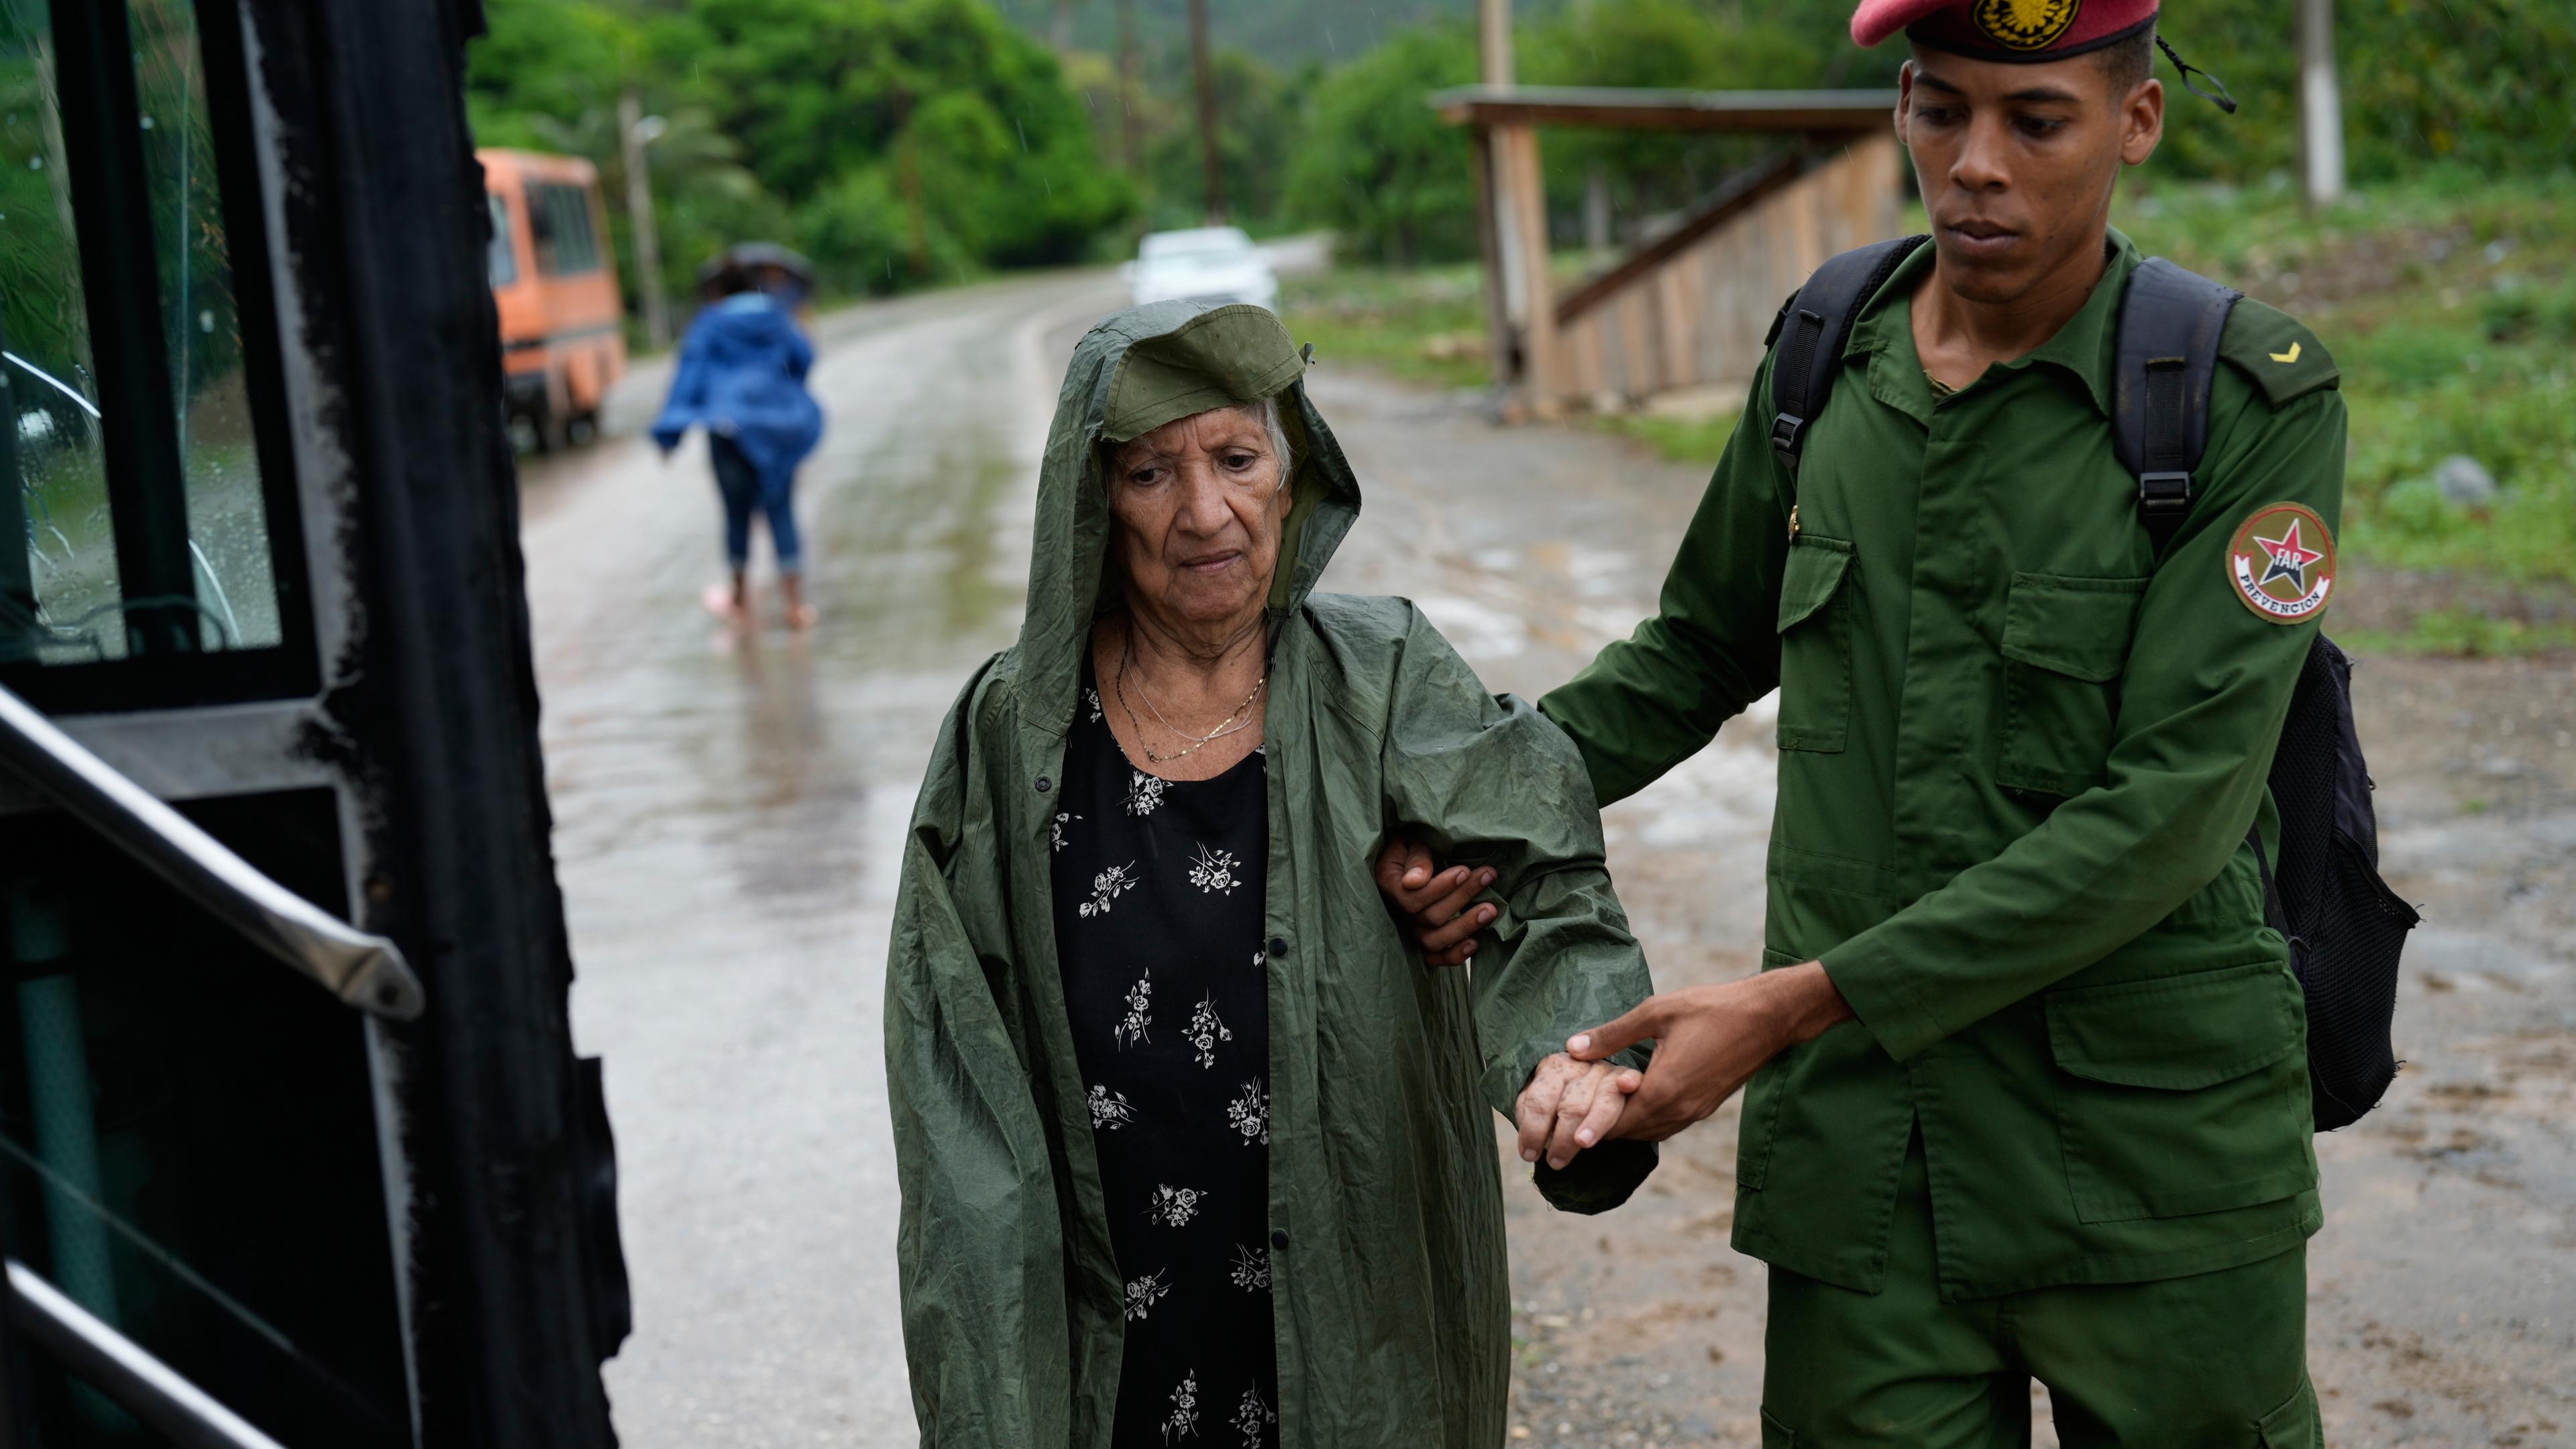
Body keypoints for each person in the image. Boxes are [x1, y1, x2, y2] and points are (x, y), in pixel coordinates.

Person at [1381, 1, 2343, 1442]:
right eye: (1941, 108)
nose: (1975, 165)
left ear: (2134, 125)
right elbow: (1696, 650)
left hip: (2157, 1165)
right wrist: (1455, 821)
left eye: (2036, 119)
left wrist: (1786, 1008)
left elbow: (2175, 812)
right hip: (1869, 1165)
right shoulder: (1830, 356)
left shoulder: (2241, 399)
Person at [887, 301, 1658, 1446]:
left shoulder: (1385, 676)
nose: (1206, 513)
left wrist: (1577, 1065)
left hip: (1356, 1296)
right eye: (1152, 472)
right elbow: (952, 1082)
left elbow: (1541, 876)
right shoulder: (1011, 736)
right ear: (1095, 503)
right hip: (1109, 1320)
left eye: (1238, 460)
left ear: (1292, 483)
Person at [651, 256, 825, 628]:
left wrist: (669, 434)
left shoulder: (710, 324)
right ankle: (795, 605)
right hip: (778, 430)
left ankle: (741, 601)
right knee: (781, 509)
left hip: (728, 428)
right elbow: (805, 358)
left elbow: (689, 377)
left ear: (717, 291)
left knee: (736, 515)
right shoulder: (778, 316)